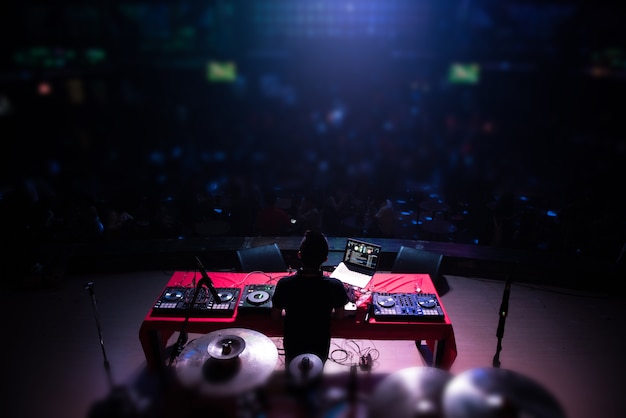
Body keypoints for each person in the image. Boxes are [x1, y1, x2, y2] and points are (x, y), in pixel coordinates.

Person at [271, 230, 349, 371]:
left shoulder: (284, 284)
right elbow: (339, 316)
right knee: (316, 370)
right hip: (320, 343)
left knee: (292, 369)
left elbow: (275, 317)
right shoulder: (335, 285)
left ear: (300, 255)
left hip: (292, 342)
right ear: (325, 259)